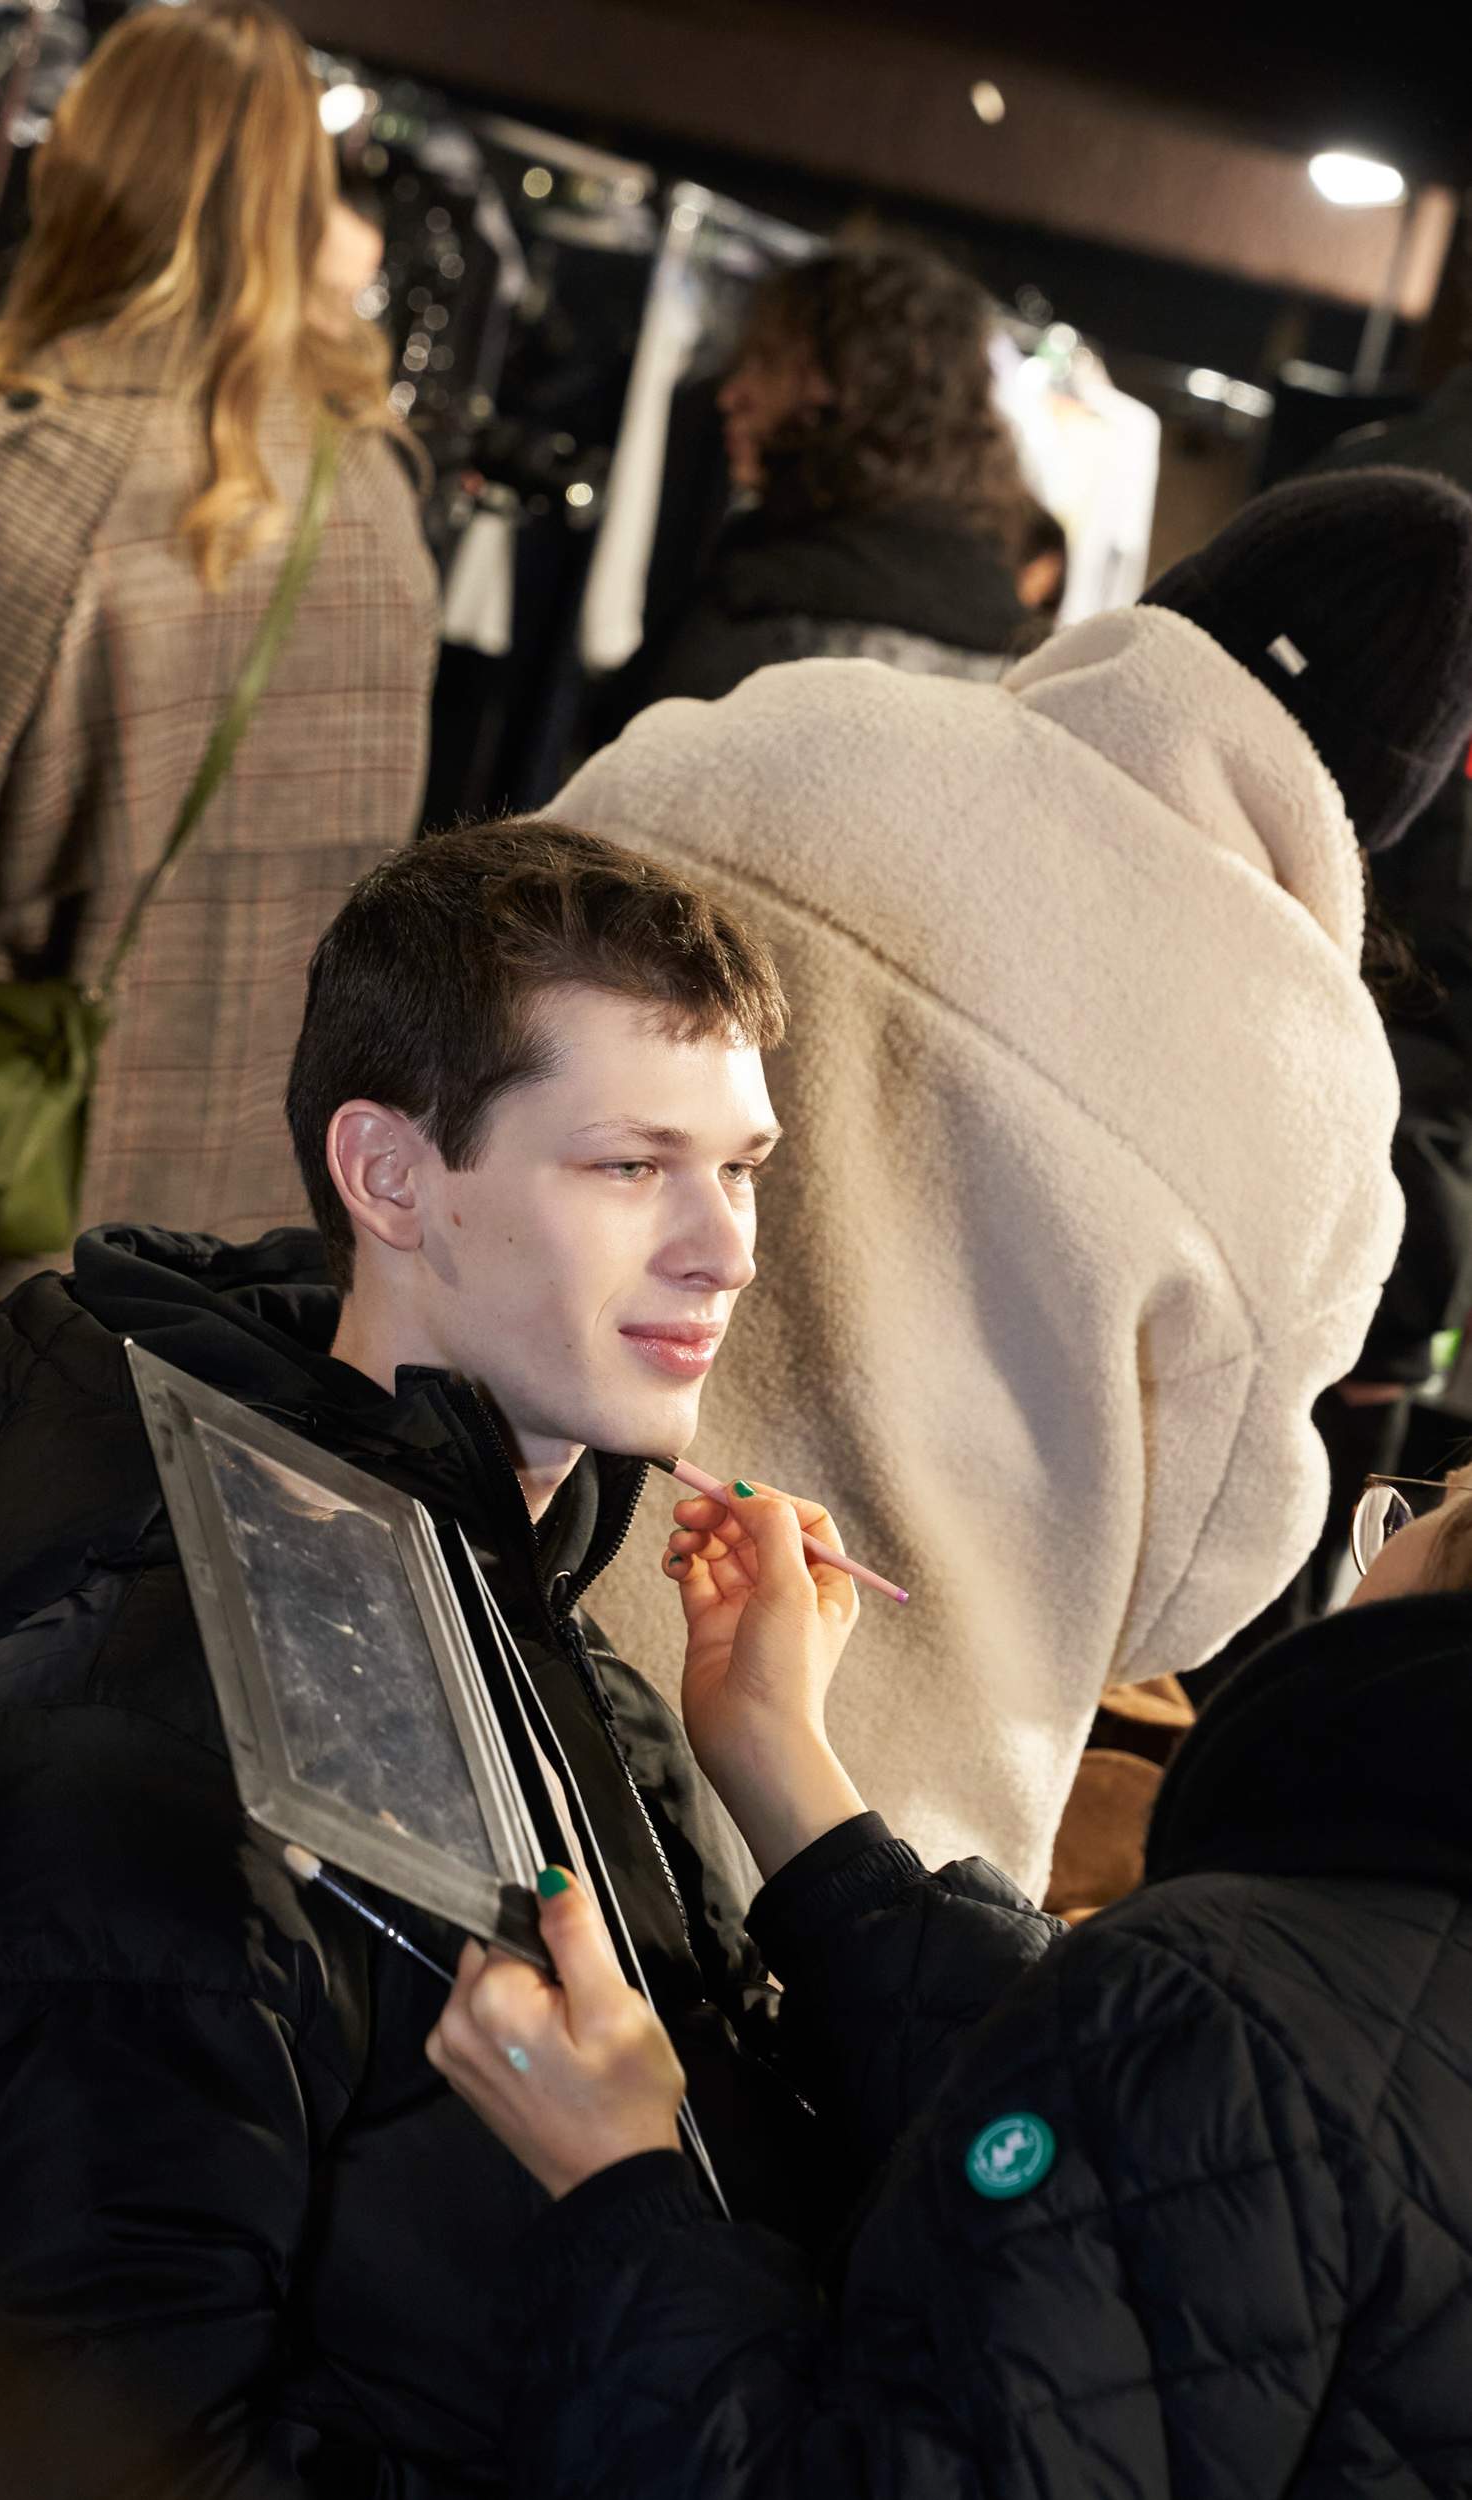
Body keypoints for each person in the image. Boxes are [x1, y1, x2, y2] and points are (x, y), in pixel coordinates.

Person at [0, 821, 832, 2496]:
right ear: (387, 1175)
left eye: (742, 1167)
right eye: (630, 1165)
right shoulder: (102, 1758)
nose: (722, 1247)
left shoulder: (567, 1659)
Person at [549, 467, 1472, 1902]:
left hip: (480, 1579)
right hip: (846, 1835)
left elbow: (448, 1032)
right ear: (1380, 808)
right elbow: (1178, 1604)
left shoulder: (777, 723)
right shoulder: (1306, 1077)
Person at [0, 0, 440, 1833]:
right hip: (208, 1262)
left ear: (91, 180)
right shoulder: (372, 505)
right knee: (24, 1758)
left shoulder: (30, 472)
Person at [428, 1455, 1472, 2499]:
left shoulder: (1227, 2000)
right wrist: (783, 1765)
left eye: (1410, 1520)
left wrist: (615, 2188)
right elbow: (1120, 2177)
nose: (735, 1276)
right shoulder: (1326, 1989)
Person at [603, 245, 1035, 731]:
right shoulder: (1008, 643)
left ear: (856, 388)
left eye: (766, 363)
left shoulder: (768, 612)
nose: (730, 395)